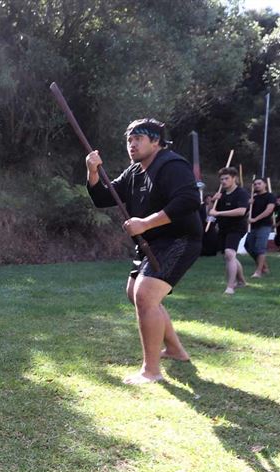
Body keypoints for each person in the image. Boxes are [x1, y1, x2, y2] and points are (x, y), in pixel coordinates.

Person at [86, 118, 203, 385]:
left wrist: (146, 223)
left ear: (156, 141)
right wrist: (92, 172)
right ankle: (175, 349)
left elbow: (188, 201)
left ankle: (151, 372)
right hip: (152, 242)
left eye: (138, 138)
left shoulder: (172, 165)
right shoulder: (134, 172)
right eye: (129, 140)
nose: (132, 144)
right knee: (135, 293)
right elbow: (104, 197)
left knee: (145, 295)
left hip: (180, 238)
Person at [206, 167, 249, 294]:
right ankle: (242, 281)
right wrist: (212, 201)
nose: (223, 181)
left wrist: (219, 213)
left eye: (226, 178)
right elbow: (211, 212)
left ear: (234, 178)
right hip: (223, 228)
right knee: (229, 256)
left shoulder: (241, 193)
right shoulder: (221, 195)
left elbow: (241, 211)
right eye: (221, 179)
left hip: (237, 227)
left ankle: (230, 287)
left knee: (229, 253)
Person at [245, 177, 275, 277]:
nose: (257, 186)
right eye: (255, 184)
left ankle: (258, 271)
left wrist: (256, 219)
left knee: (260, 248)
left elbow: (269, 210)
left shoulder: (270, 196)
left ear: (265, 184)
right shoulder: (253, 198)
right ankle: (264, 267)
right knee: (248, 246)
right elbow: (247, 213)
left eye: (259, 183)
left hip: (264, 225)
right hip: (253, 226)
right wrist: (248, 204)